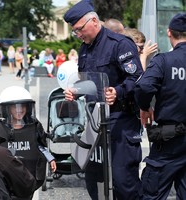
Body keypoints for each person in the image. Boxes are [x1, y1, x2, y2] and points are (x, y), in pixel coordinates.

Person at [63, 1, 143, 199]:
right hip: (95, 121)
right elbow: (90, 82)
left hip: (120, 120)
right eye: (75, 32)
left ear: (94, 21)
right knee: (95, 179)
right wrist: (76, 91)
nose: (78, 35)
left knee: (123, 180)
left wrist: (118, 91)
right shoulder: (84, 49)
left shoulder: (120, 44)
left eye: (79, 29)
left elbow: (137, 78)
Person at [134, 13, 186, 200]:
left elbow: (144, 86)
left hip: (169, 141)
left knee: (152, 194)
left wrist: (145, 106)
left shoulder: (164, 60)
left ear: (169, 33)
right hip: (172, 138)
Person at [0, 86, 56, 194]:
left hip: (29, 178)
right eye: (15, 107)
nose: (19, 110)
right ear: (6, 109)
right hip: (6, 179)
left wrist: (50, 158)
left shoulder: (34, 126)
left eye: (22, 106)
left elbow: (39, 145)